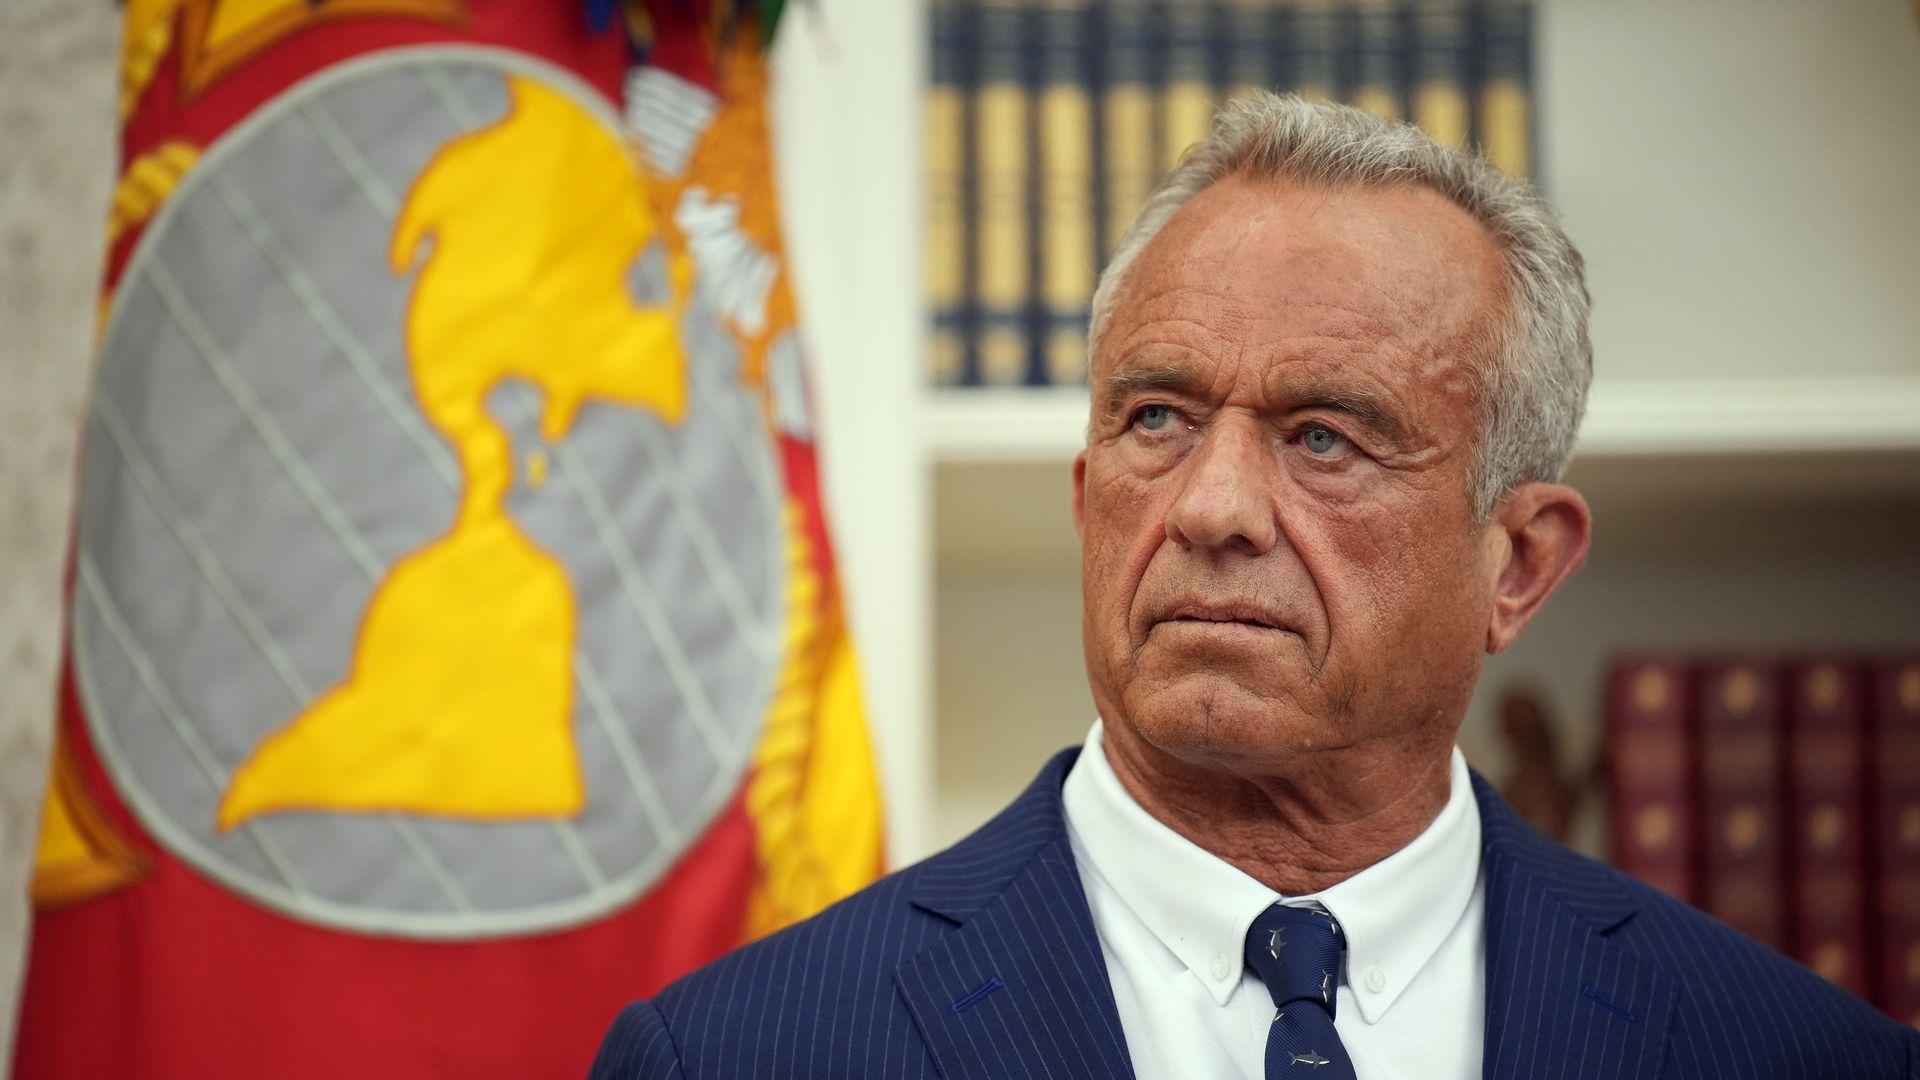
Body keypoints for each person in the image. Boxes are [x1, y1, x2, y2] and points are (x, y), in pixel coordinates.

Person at [589, 95, 1919, 1080]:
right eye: (1157, 420)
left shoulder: (1802, 1058)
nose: (1210, 508)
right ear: (1086, 499)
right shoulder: (735, 1057)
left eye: (1325, 438)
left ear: (1517, 563)